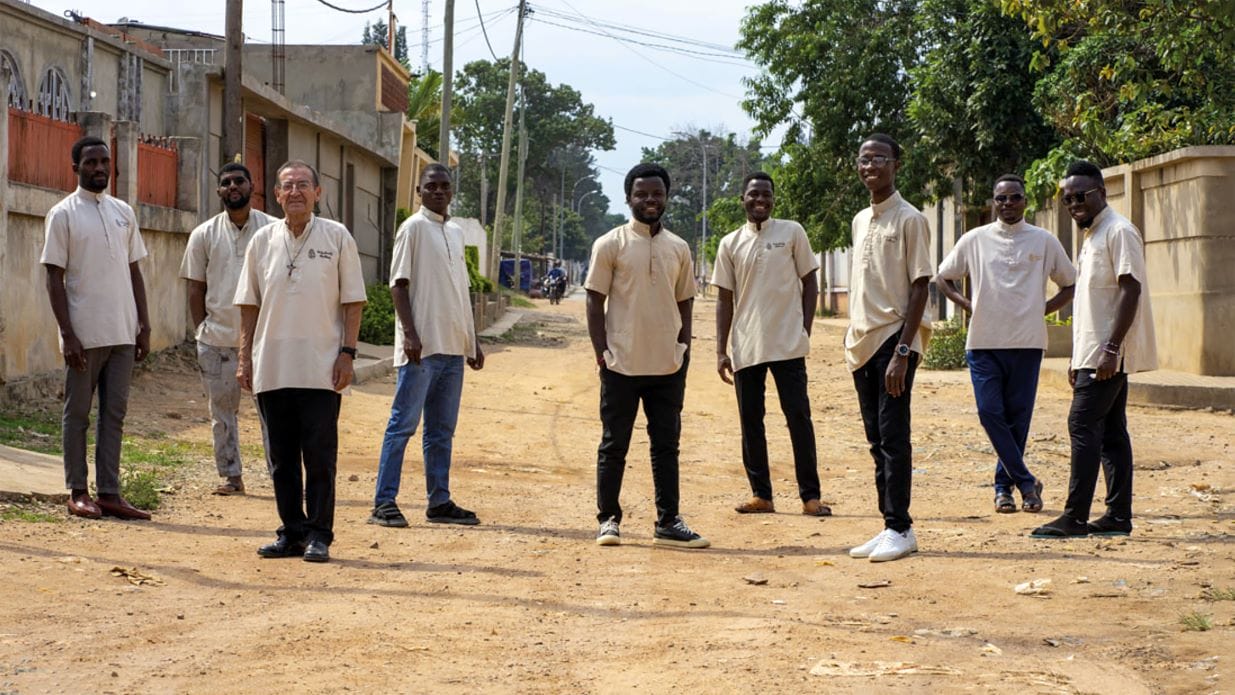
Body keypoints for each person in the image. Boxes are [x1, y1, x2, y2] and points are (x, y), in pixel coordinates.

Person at [235, 160, 366, 563]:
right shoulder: (262, 241)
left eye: (303, 185)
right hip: (273, 366)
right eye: (287, 186)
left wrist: (347, 353)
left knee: (320, 458)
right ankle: (291, 531)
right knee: (281, 460)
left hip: (321, 367)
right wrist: (245, 356)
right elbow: (248, 303)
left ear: (317, 193)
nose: (295, 192)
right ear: (275, 195)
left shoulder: (338, 237)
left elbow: (353, 300)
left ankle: (319, 535)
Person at [585, 163, 708, 549]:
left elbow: (685, 301)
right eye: (642, 194)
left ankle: (668, 520)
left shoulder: (679, 247)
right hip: (621, 363)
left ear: (666, 198)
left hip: (668, 364)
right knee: (614, 444)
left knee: (666, 445)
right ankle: (608, 519)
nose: (650, 200)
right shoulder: (611, 244)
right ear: (629, 198)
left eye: (656, 194)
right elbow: (594, 300)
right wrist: (602, 351)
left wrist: (683, 348)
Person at [1032, 160, 1157, 538]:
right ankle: (1118, 517)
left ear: (1101, 191)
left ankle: (1074, 517)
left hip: (1108, 353)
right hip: (1094, 353)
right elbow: (1091, 303)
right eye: (1068, 198)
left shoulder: (1119, 231)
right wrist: (1077, 355)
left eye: (1080, 196)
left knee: (1082, 425)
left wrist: (1110, 348)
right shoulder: (1092, 236)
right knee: (1112, 432)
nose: (1073, 204)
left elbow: (1130, 289)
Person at [937, 174, 1076, 514]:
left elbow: (1070, 283)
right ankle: (1027, 482)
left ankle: (1005, 490)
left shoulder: (1043, 241)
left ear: (1024, 201)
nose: (1008, 204)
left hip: (1027, 344)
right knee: (989, 413)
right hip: (983, 342)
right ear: (994, 202)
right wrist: (968, 305)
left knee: (1018, 419)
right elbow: (943, 277)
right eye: (1001, 198)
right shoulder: (975, 239)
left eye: (1014, 197)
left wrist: (1040, 310)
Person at [41, 136, 153, 521]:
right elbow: (53, 277)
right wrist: (67, 334)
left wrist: (144, 324)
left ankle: (109, 492)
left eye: (104, 161)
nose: (99, 168)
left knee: (115, 414)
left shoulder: (123, 211)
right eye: (91, 162)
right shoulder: (63, 214)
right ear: (76, 167)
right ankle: (77, 491)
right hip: (84, 335)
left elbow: (134, 270)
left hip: (123, 331)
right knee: (78, 414)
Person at [368, 163, 485, 528]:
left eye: (444, 186)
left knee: (441, 431)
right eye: (431, 186)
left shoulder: (454, 232)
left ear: (452, 192)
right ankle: (383, 502)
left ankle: (439, 501)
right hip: (421, 350)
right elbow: (398, 284)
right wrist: (410, 333)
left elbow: (460, 293)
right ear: (419, 192)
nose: (438, 191)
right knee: (403, 425)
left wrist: (473, 340)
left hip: (452, 349)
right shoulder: (413, 228)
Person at [713, 172, 830, 517]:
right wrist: (721, 349)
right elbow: (724, 299)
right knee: (751, 421)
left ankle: (810, 496)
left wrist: (804, 328)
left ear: (773, 199)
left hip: (788, 344)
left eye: (766, 194)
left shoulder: (792, 232)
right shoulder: (730, 243)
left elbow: (810, 282)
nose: (760, 200)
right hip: (747, 345)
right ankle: (761, 494)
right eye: (753, 194)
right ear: (743, 200)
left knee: (798, 418)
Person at [844, 134, 933, 563]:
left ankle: (901, 527)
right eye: (863, 159)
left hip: (894, 342)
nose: (870, 165)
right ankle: (889, 526)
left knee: (894, 437)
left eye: (879, 158)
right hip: (862, 344)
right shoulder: (861, 219)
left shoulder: (910, 218)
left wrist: (902, 351)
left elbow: (921, 285)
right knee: (876, 439)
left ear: (896, 164)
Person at [179, 163, 274, 496]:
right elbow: (195, 287)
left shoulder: (273, 230)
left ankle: (281, 477)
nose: (233, 186)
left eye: (239, 181)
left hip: (265, 342)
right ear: (219, 191)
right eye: (226, 183)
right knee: (222, 413)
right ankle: (231, 476)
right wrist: (202, 328)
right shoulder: (203, 234)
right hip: (217, 340)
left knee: (273, 415)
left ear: (252, 186)